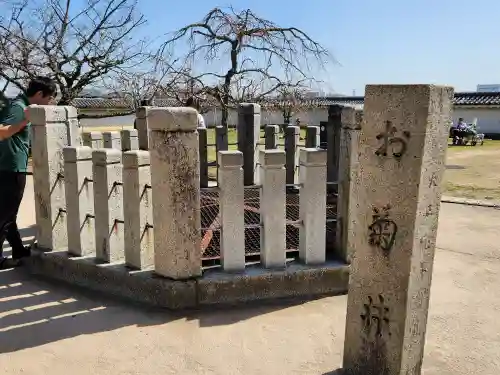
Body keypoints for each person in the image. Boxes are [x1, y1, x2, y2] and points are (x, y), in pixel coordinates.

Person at [0, 76, 57, 269]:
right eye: (49, 98)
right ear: (39, 94)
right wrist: (25, 122)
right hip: (10, 168)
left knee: (8, 213)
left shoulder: (19, 105)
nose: (50, 103)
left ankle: (18, 250)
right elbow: (1, 131)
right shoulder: (20, 108)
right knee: (5, 216)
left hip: (9, 166)